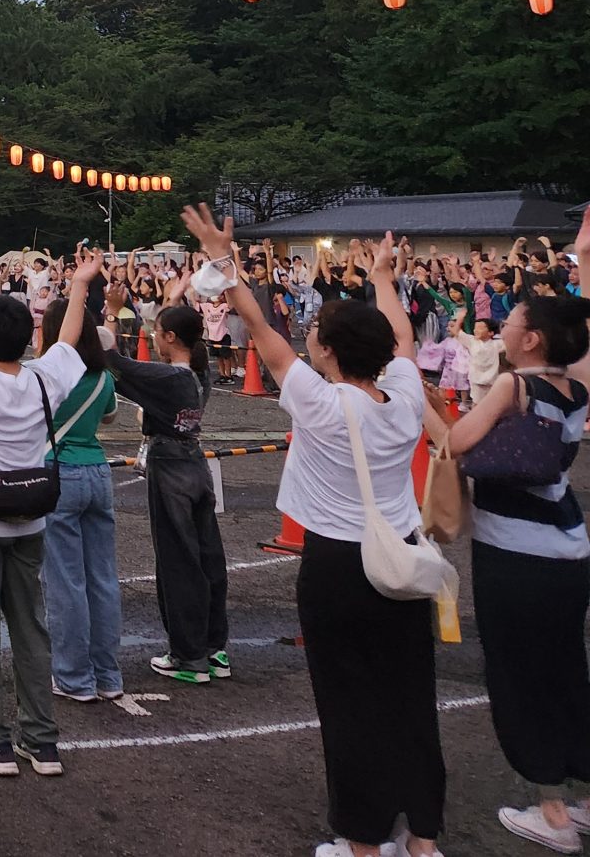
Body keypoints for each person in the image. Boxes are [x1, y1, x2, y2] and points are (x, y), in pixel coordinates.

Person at [189, 206, 443, 857]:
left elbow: (257, 325)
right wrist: (382, 278)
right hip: (403, 556)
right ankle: (422, 839)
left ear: (327, 350)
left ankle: (362, 843)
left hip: (339, 566)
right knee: (411, 697)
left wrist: (223, 261)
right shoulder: (405, 394)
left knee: (349, 703)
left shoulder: (320, 401)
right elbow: (402, 338)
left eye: (317, 333)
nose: (307, 337)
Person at [446, 227, 590, 851]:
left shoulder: (514, 385)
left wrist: (434, 410)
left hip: (514, 553)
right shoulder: (577, 387)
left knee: (517, 675)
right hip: (569, 549)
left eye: (513, 322)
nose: (503, 326)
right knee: (567, 670)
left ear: (530, 339)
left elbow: (457, 442)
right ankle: (585, 798)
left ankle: (552, 813)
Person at [0, 255, 97, 779]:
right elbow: (70, 341)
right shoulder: (43, 381)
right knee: (31, 629)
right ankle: (41, 740)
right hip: (32, 516)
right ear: (28, 338)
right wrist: (78, 285)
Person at [99, 277, 230, 683]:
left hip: (169, 465)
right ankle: (214, 649)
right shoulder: (200, 373)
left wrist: (111, 312)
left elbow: (112, 362)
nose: (154, 338)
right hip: (195, 462)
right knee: (208, 557)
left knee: (178, 561)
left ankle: (188, 657)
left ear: (171, 337)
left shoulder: (168, 378)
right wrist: (173, 299)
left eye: (158, 332)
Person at [36, 297, 124, 702]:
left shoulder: (49, 376)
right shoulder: (103, 377)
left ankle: (73, 676)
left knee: (65, 581)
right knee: (102, 578)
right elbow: (109, 415)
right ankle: (108, 674)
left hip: (59, 472)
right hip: (98, 471)